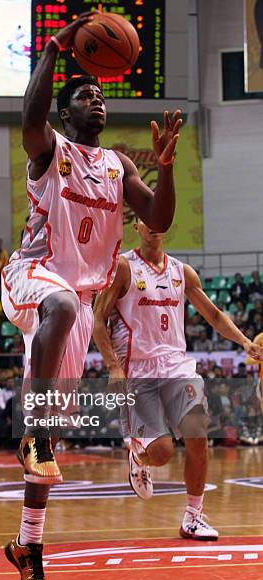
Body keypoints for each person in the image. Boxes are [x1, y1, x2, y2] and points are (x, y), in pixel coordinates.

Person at [1, 10, 182, 580]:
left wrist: (168, 168)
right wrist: (54, 51)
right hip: (30, 276)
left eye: (100, 92)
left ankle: (29, 544)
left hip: (74, 306)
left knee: (53, 432)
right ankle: (32, 435)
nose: (96, 98)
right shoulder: (48, 150)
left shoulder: (117, 166)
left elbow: (158, 219)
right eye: (84, 94)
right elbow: (29, 116)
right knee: (59, 305)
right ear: (65, 113)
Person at [93, 220, 263, 541]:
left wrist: (244, 342)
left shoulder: (182, 272)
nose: (153, 225)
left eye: (159, 219)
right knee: (162, 453)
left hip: (178, 367)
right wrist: (113, 367)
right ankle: (138, 456)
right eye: (147, 218)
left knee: (198, 434)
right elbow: (98, 320)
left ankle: (193, 517)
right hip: (138, 371)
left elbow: (213, 315)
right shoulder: (124, 267)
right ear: (137, 226)